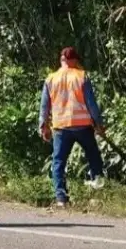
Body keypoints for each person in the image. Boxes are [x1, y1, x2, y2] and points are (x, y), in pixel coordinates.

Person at [38, 46, 106, 208]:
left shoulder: (50, 79)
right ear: (74, 60)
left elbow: (44, 107)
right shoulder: (81, 76)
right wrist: (99, 124)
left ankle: (61, 198)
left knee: (59, 162)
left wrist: (43, 126)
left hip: (61, 127)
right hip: (83, 126)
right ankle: (98, 193)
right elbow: (91, 104)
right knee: (94, 157)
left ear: (62, 60)